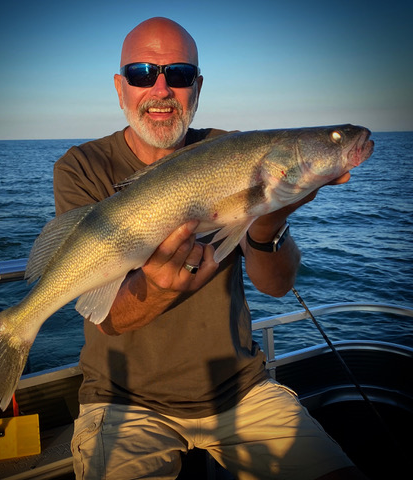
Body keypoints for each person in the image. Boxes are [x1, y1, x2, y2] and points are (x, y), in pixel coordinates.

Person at [53, 17, 368, 480]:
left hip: (241, 391)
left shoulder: (230, 150)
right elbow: (109, 320)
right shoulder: (82, 166)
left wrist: (270, 220)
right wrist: (161, 288)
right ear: (121, 87)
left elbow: (276, 286)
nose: (161, 89)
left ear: (196, 88)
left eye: (178, 75)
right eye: (143, 74)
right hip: (124, 402)